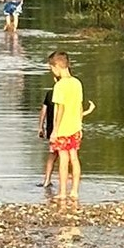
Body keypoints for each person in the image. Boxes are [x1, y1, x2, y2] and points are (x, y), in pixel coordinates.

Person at [47, 51, 95, 204]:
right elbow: (79, 106)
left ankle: (62, 192)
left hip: (63, 128)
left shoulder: (60, 86)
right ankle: (74, 191)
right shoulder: (77, 82)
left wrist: (55, 130)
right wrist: (80, 125)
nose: (51, 72)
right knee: (74, 158)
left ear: (57, 67)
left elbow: (60, 109)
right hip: (75, 127)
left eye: (51, 69)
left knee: (63, 159)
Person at [37, 82, 57, 190]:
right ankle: (68, 184)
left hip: (51, 130)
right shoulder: (67, 94)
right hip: (65, 129)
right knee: (68, 156)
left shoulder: (50, 94)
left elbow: (43, 111)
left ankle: (46, 181)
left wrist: (40, 127)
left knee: (52, 155)